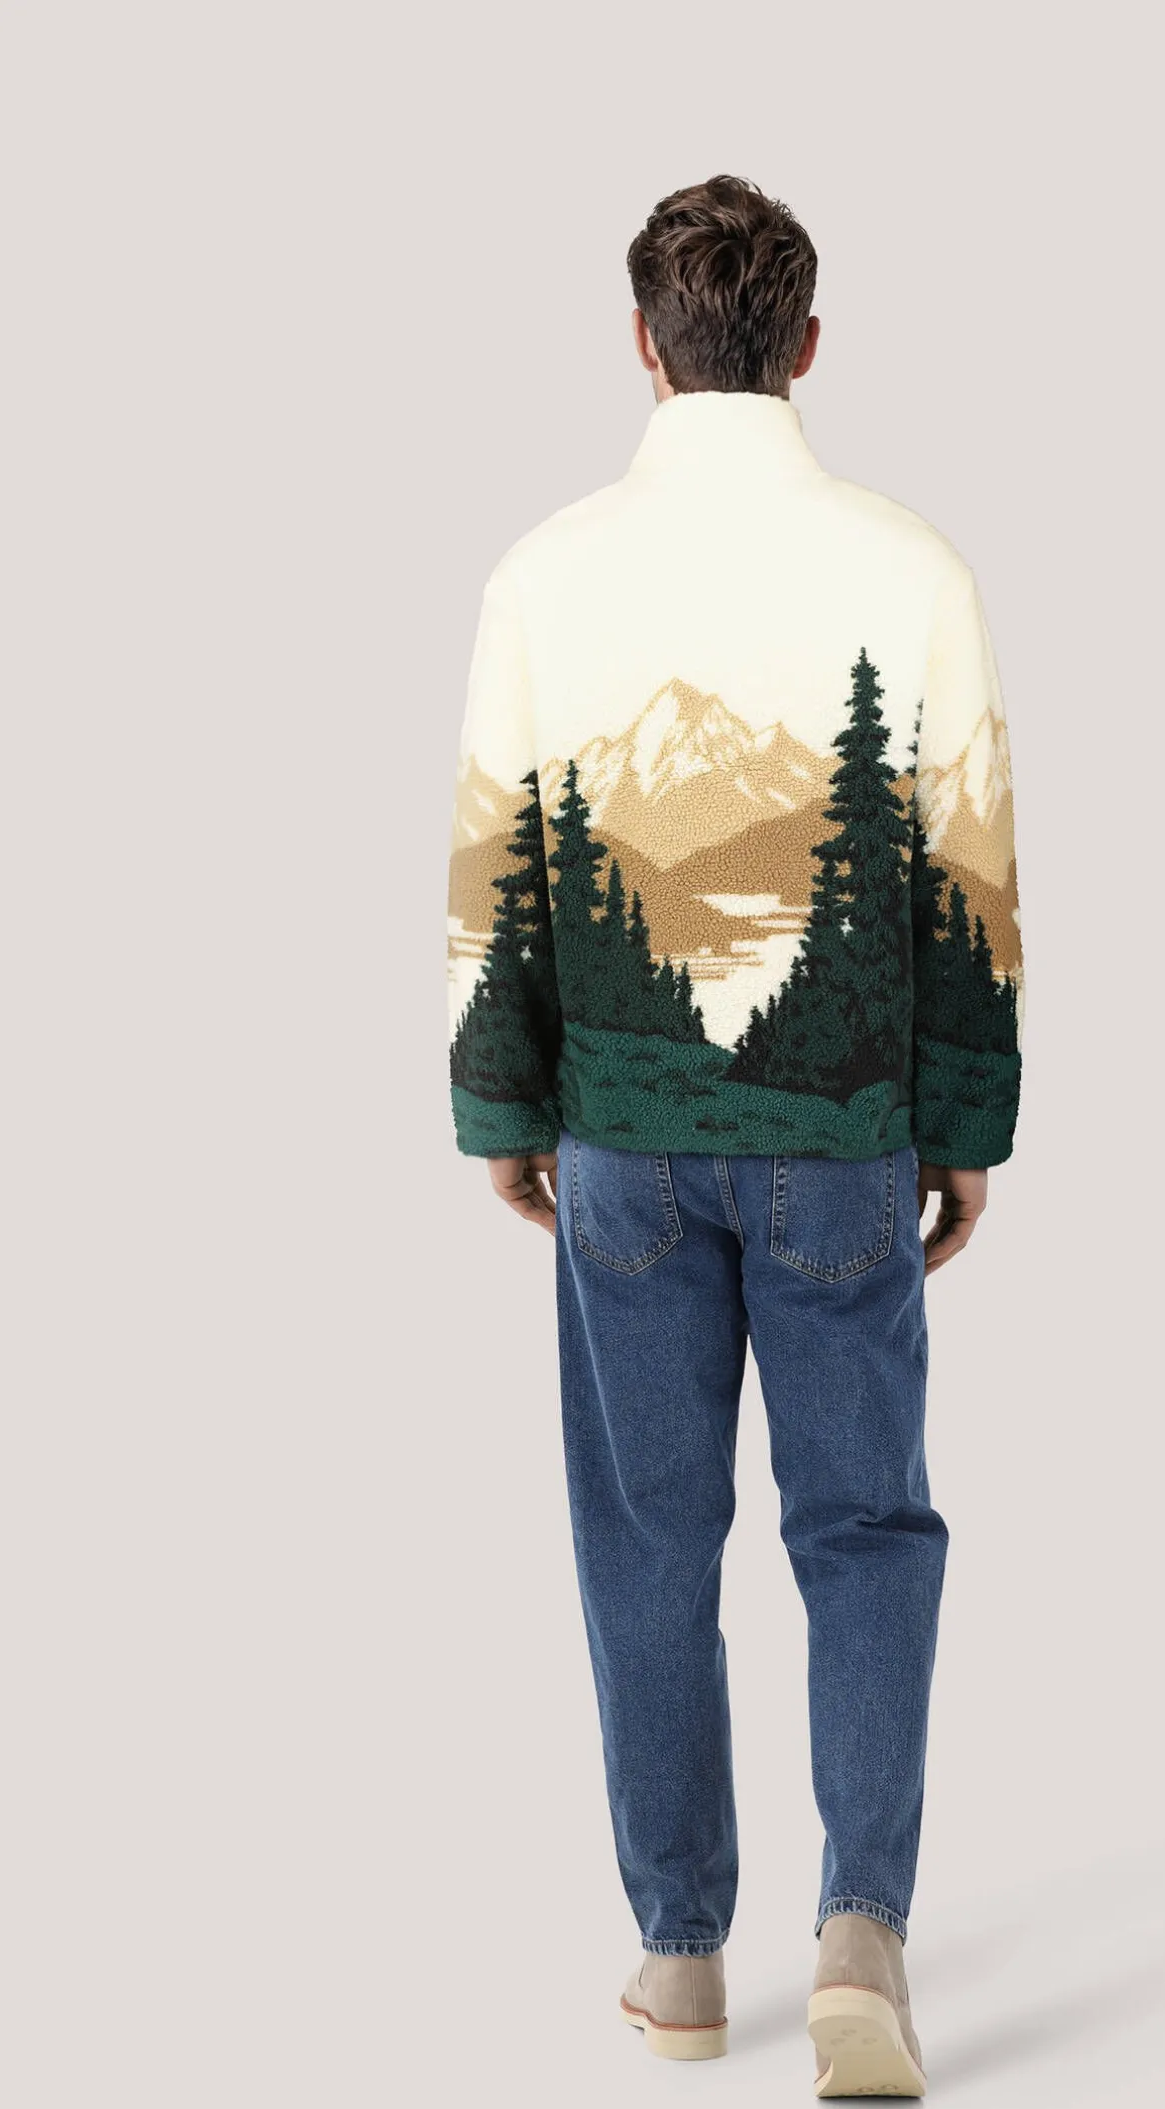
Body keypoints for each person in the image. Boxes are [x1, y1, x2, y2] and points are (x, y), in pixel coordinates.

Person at [446, 174, 1023, 2098]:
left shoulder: (543, 576)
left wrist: (503, 1106)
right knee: (865, 1528)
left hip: (618, 1140)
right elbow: (969, 868)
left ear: (642, 343)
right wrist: (963, 1122)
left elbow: (498, 862)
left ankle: (680, 1957)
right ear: (806, 346)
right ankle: (860, 1939)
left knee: (646, 1537)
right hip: (843, 1136)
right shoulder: (915, 569)